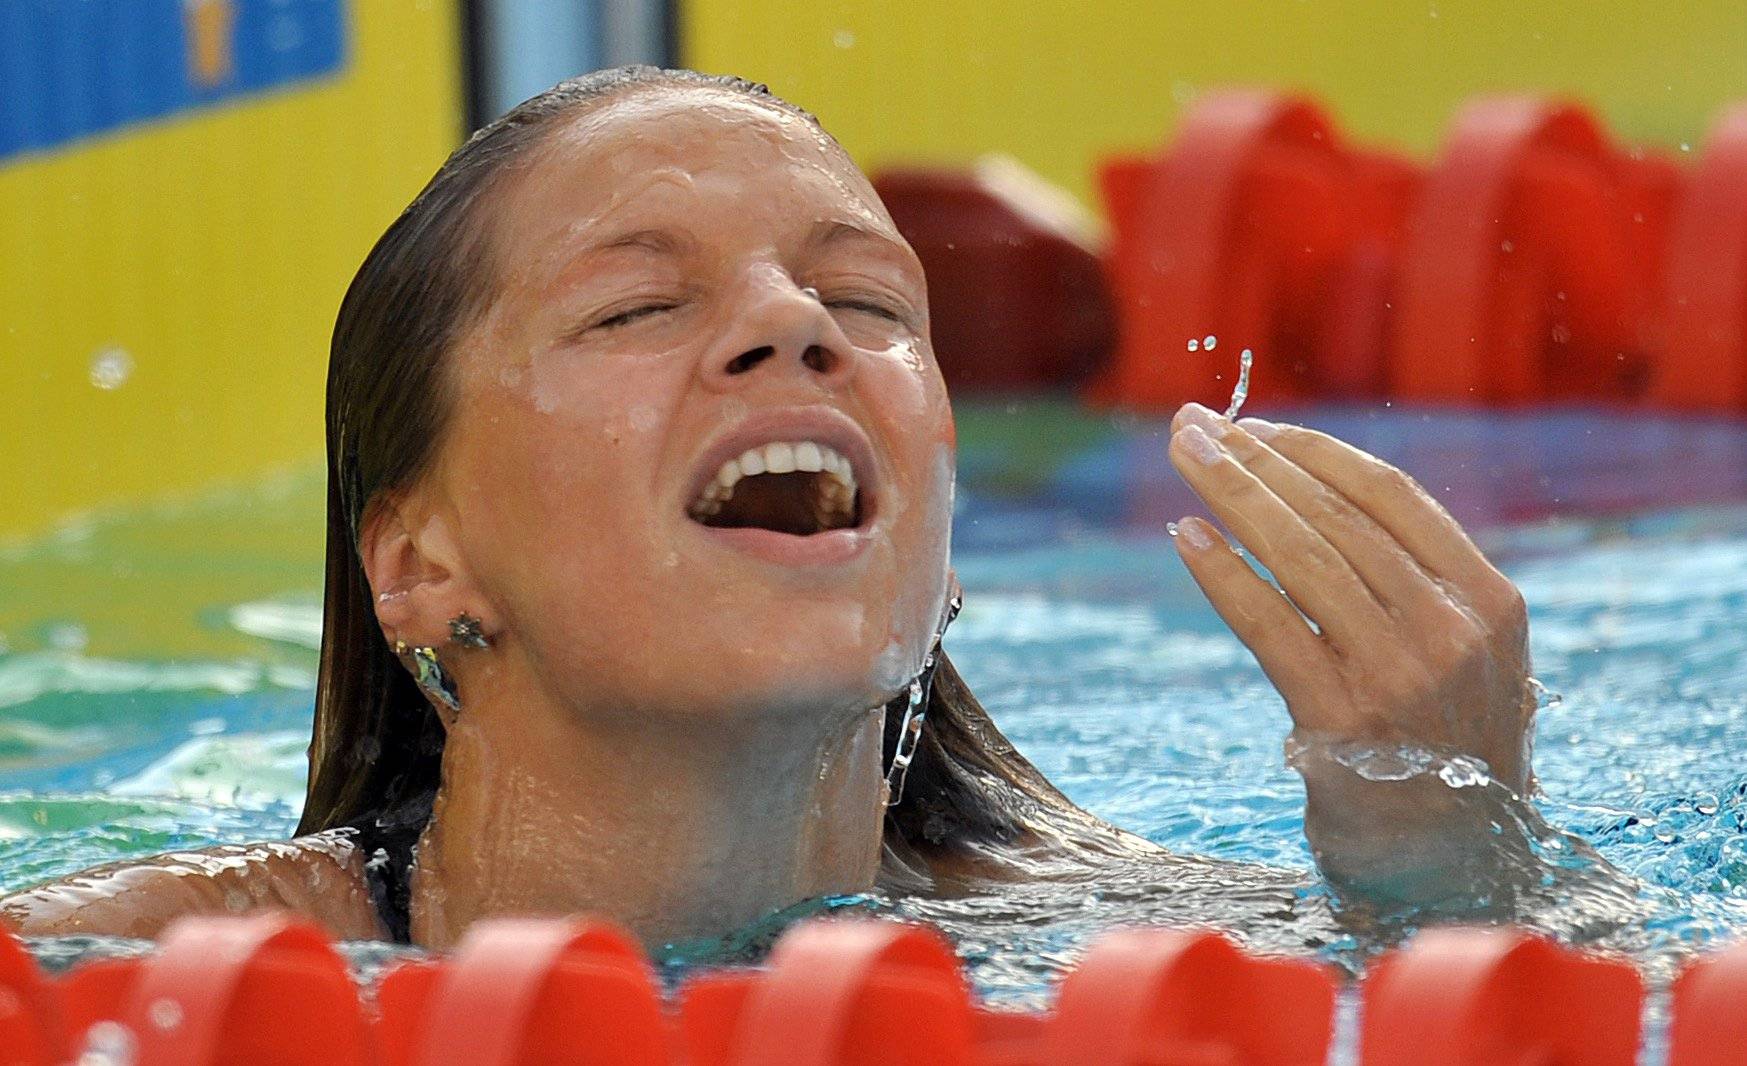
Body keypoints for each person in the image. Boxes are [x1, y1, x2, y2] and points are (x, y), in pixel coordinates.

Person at [0, 67, 1592, 949]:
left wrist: (1453, 878)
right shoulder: (145, 964)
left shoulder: (1141, 954)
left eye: (869, 300)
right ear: (417, 561)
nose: (800, 330)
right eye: (634, 311)